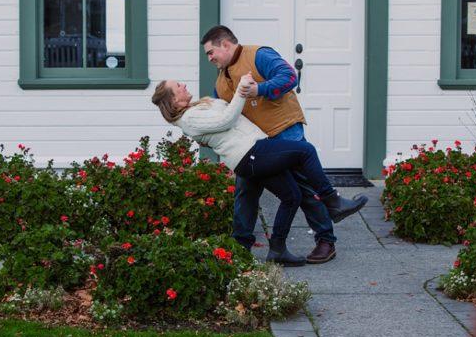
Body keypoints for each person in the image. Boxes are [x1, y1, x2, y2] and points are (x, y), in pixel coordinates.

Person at [152, 79, 367, 266]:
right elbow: (226, 119)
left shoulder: (198, 107)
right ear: (173, 101)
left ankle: (277, 250)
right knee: (306, 152)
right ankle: (333, 202)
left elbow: (227, 109)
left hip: (253, 153)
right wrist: (242, 90)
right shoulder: (189, 119)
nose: (183, 85)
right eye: (178, 86)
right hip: (251, 153)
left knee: (292, 195)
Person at [201, 25, 366, 264]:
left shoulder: (259, 54)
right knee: (246, 191)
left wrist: (259, 89)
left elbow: (288, 77)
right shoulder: (220, 82)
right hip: (256, 146)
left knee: (303, 188)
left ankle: (325, 241)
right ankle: (241, 247)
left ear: (225, 44)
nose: (210, 58)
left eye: (211, 52)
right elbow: (221, 117)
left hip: (285, 131)